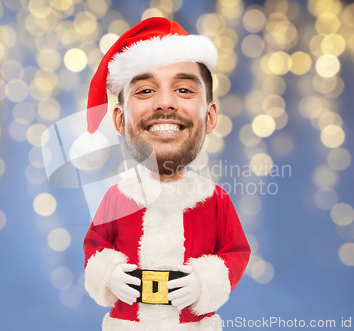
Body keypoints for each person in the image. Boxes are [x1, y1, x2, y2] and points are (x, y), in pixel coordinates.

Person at [83, 17, 250, 331]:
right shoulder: (118, 197)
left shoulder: (214, 200)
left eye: (184, 89)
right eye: (145, 90)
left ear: (210, 116)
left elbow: (236, 252)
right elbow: (96, 246)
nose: (164, 103)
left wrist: (204, 283)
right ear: (119, 121)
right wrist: (108, 273)